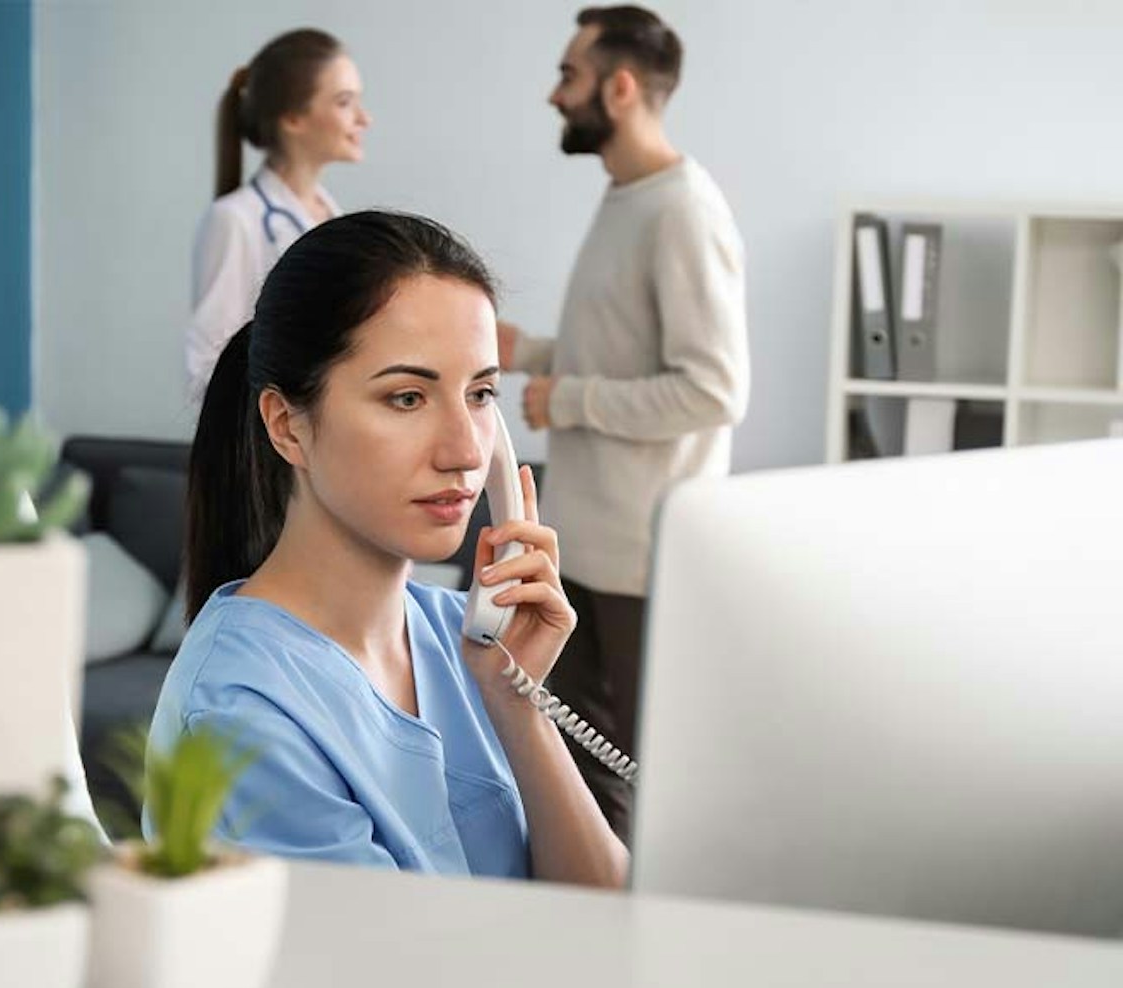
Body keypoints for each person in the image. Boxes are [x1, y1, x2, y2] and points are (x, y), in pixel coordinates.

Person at [146, 210, 629, 888]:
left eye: (482, 393)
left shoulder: (460, 638)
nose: (467, 449)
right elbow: (392, 984)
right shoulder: (241, 713)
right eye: (408, 397)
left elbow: (608, 911)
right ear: (288, 425)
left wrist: (518, 703)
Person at [497, 6, 751, 846]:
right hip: (592, 551)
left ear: (621, 86)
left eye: (568, 75)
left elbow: (713, 389)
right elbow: (625, 349)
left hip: (642, 563)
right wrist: (530, 351)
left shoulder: (683, 209)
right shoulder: (629, 199)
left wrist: (565, 399)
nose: (551, 94)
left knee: (641, 783)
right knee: (578, 770)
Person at [185, 28, 371, 406]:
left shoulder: (334, 220)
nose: (363, 119)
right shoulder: (234, 220)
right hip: (270, 445)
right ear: (293, 118)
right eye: (344, 102)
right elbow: (207, 368)